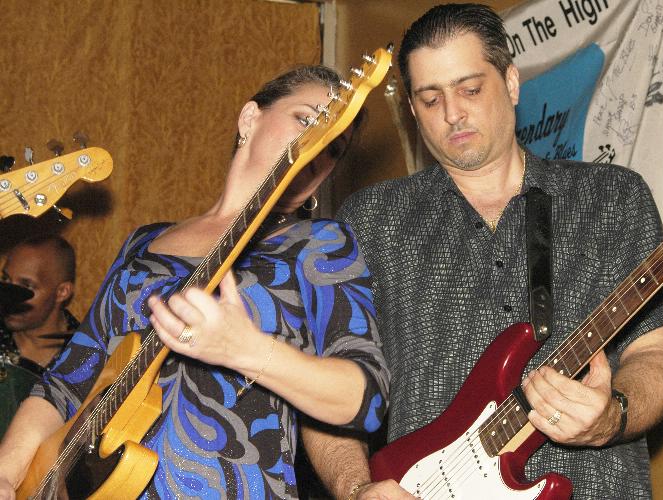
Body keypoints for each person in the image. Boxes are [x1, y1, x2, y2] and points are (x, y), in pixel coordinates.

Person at [302, 4, 663, 499]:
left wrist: (614, 414)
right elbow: (326, 386)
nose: (452, 114)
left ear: (511, 83)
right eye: (430, 99)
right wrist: (356, 488)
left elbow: (654, 353)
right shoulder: (370, 220)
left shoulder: (613, 198)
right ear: (412, 109)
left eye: (470, 89)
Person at [0, 64, 389, 499]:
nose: (318, 149)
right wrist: (7, 474)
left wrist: (246, 350)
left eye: (334, 148)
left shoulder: (320, 244)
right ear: (249, 118)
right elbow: (68, 379)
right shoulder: (144, 242)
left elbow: (365, 398)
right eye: (306, 119)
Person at [0, 235, 78, 439]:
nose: (10, 296)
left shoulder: (84, 358)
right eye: (6, 280)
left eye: (26, 286)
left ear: (62, 292)